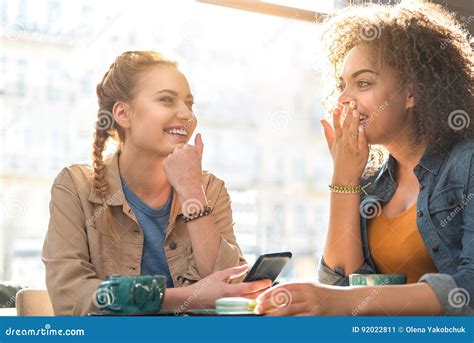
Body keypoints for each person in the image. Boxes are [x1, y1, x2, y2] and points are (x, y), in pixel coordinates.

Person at [256, 1, 473, 316]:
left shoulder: (466, 162)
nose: (345, 98)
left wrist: (337, 300)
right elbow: (340, 284)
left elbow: (469, 287)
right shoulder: (373, 183)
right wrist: (344, 179)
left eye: (364, 83)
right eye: (343, 85)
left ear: (412, 92)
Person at [42, 51, 269, 315]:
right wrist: (185, 297)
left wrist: (191, 191)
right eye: (166, 100)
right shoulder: (74, 188)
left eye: (189, 104)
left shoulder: (209, 189)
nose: (186, 115)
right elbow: (71, 295)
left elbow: (227, 288)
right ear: (123, 113)